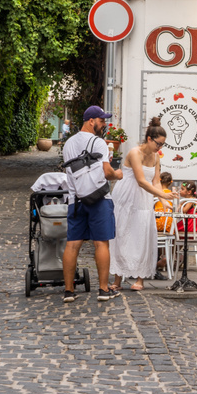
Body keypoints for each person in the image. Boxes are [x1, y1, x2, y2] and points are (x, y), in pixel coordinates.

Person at [60, 106, 123, 303]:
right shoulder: (99, 143)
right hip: (99, 199)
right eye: (101, 121)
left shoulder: (68, 144)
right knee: (101, 242)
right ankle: (104, 290)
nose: (104, 125)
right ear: (91, 121)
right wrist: (118, 175)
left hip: (75, 199)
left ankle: (69, 292)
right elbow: (107, 172)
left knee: (72, 244)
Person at [109, 117, 172, 292]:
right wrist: (160, 194)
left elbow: (156, 181)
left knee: (142, 234)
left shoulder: (156, 157)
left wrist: (163, 200)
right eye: (158, 144)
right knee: (122, 234)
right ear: (149, 139)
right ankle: (117, 279)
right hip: (127, 197)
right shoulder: (134, 153)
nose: (160, 148)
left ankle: (140, 279)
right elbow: (141, 181)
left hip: (144, 199)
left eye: (162, 145)